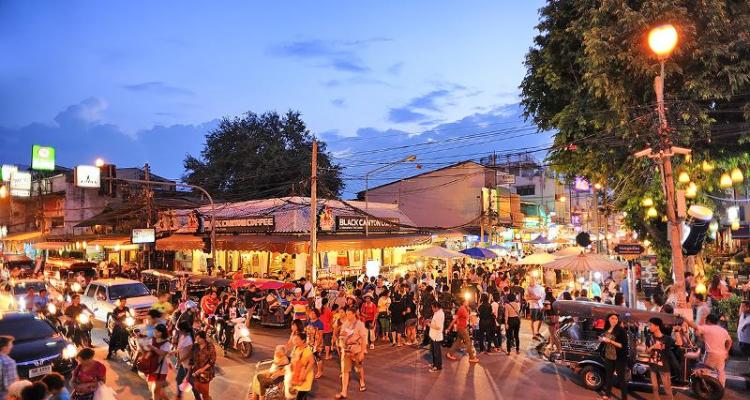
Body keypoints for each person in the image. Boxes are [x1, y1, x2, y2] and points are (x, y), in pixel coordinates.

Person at [682, 313, 732, 386]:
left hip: (711, 354)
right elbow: (730, 341)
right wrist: (726, 351)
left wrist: (683, 318)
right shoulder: (722, 330)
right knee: (720, 371)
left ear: (708, 320)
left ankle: (704, 386)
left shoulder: (706, 327)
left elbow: (693, 326)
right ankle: (720, 388)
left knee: (700, 368)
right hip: (722, 354)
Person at [335, 306, 367, 399]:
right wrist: (342, 345)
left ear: (354, 314)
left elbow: (364, 339)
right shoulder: (345, 324)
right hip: (346, 350)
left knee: (358, 368)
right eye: (347, 314)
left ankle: (362, 381)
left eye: (349, 314)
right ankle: (343, 391)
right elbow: (341, 336)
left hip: (356, 349)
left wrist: (362, 352)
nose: (348, 316)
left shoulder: (360, 325)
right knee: (345, 371)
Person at [599, 313, 629, 400]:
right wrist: (602, 340)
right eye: (612, 318)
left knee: (621, 378)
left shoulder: (621, 330)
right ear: (608, 319)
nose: (614, 320)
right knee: (609, 376)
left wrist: (609, 341)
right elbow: (604, 341)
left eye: (616, 319)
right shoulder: (606, 329)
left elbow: (622, 345)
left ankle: (624, 397)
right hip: (609, 355)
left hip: (619, 357)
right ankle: (607, 395)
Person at [646, 318, 676, 400]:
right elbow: (647, 351)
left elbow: (678, 344)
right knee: (655, 387)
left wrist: (677, 331)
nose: (649, 327)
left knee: (667, 389)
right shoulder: (649, 337)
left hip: (664, 367)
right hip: (652, 365)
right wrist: (653, 346)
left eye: (650, 325)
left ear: (657, 326)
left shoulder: (667, 339)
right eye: (649, 325)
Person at [445, 297, 479, 363]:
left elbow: (465, 317)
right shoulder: (461, 309)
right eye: (466, 301)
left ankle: (450, 353)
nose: (468, 302)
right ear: (463, 302)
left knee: (458, 341)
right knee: (468, 342)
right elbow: (455, 319)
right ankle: (472, 357)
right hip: (462, 328)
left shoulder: (464, 308)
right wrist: (449, 328)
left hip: (461, 327)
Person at [143, 324, 171, 400]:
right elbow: (146, 350)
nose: (155, 333)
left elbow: (163, 353)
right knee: (155, 389)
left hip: (161, 369)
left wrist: (153, 348)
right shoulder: (152, 339)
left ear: (161, 333)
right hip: (151, 367)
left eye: (157, 332)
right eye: (154, 331)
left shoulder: (166, 343)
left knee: (155, 390)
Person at [289, 331, 314, 399]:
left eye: (297, 339)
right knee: (301, 396)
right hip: (297, 374)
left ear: (303, 340)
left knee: (300, 396)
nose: (294, 341)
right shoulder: (296, 348)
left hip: (305, 376)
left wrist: (305, 374)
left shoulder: (307, 350)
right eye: (294, 339)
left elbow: (312, 362)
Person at [192, 331, 216, 400]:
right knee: (196, 390)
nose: (197, 340)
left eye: (199, 339)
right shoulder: (195, 346)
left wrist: (203, 369)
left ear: (204, 338)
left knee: (205, 393)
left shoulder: (210, 346)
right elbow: (192, 357)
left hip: (205, 373)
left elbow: (212, 360)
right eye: (196, 339)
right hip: (196, 372)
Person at [173, 321, 194, 400]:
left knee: (192, 385)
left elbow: (190, 353)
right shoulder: (182, 336)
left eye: (179, 329)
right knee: (178, 379)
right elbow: (179, 349)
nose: (178, 331)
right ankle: (179, 396)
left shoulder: (188, 339)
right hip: (183, 364)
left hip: (188, 365)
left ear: (183, 330)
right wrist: (173, 353)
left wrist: (179, 361)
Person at [305, 309, 325, 379]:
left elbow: (320, 336)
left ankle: (320, 371)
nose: (312, 315)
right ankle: (308, 371)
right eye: (311, 313)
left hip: (316, 343)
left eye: (313, 313)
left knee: (317, 358)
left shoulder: (319, 323)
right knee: (308, 357)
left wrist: (317, 345)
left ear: (317, 314)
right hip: (309, 342)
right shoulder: (308, 321)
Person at [428, 302, 444, 372]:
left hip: (436, 336)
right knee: (434, 351)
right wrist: (430, 321)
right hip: (433, 335)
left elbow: (438, 326)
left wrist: (429, 324)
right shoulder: (437, 313)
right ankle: (435, 364)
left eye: (433, 307)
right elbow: (435, 322)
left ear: (436, 307)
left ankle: (437, 366)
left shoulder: (439, 314)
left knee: (436, 352)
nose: (432, 309)